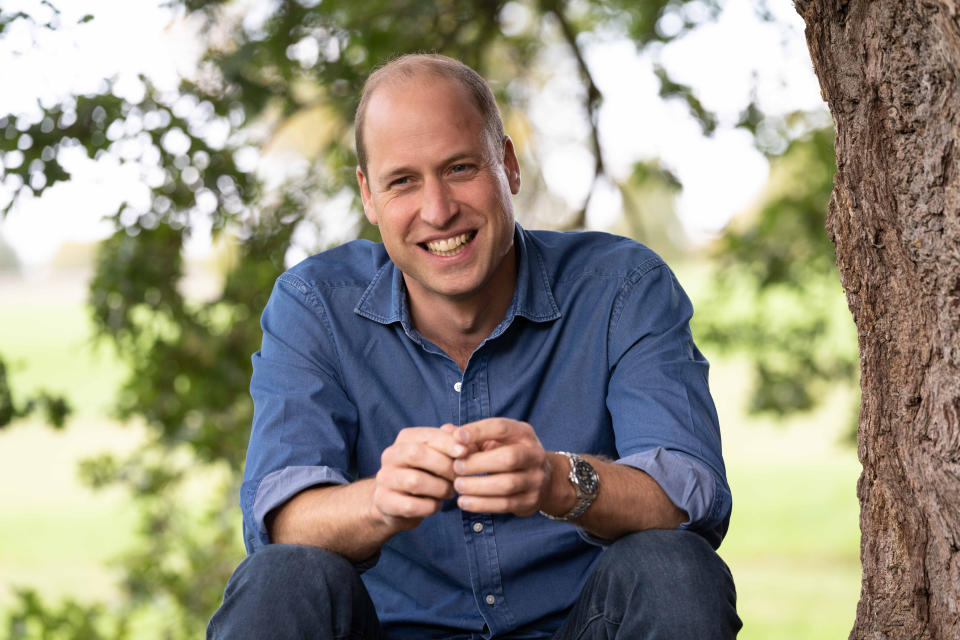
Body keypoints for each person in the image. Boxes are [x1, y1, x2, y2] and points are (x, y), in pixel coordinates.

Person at [208, 53, 741, 639]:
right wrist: (379, 502)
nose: (437, 211)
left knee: (675, 569)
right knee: (281, 578)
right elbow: (280, 519)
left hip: (582, 627)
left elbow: (690, 494)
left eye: (460, 168)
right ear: (367, 195)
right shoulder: (314, 304)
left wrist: (556, 482)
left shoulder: (621, 288)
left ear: (507, 166)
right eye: (403, 181)